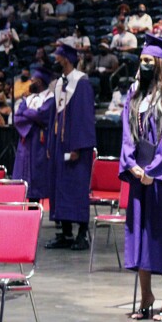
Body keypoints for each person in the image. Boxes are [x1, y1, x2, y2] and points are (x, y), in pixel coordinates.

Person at [119, 35, 162, 322]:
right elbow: (127, 132)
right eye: (141, 60)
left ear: (160, 64)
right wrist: (131, 164)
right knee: (139, 235)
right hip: (139, 175)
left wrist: (154, 170)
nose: (144, 64)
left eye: (149, 60)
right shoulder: (134, 93)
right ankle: (146, 295)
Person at [45, 44, 96, 250]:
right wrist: (51, 142)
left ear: (66, 59)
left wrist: (77, 146)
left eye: (57, 56)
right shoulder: (58, 84)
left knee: (76, 188)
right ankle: (65, 232)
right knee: (60, 187)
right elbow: (53, 116)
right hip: (59, 143)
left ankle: (82, 233)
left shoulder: (81, 82)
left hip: (76, 145)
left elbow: (84, 117)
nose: (55, 60)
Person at [12, 67, 55, 203]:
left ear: (41, 82)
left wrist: (28, 113)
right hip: (27, 142)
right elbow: (17, 118)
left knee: (40, 175)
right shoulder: (28, 98)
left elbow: (43, 115)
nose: (31, 81)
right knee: (24, 176)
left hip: (41, 142)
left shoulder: (51, 99)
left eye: (34, 79)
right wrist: (33, 116)